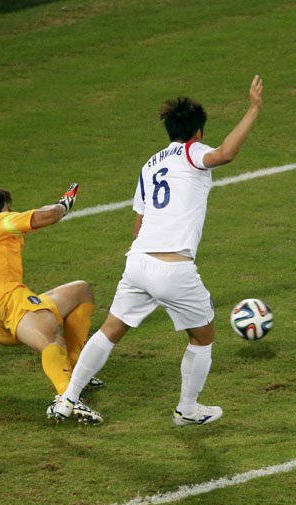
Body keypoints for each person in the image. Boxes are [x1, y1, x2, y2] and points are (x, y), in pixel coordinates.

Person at [48, 75, 264, 426]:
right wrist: (253, 109)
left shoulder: (149, 165)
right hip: (173, 267)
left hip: (138, 261)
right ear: (198, 132)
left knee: (110, 330)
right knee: (203, 334)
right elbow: (225, 153)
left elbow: (139, 221)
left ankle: (68, 398)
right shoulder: (194, 152)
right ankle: (188, 410)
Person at [0, 183, 102, 423]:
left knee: (80, 291)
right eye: (8, 209)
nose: (11, 213)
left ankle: (75, 371)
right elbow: (48, 215)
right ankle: (67, 397)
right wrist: (64, 204)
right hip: (10, 302)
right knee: (52, 340)